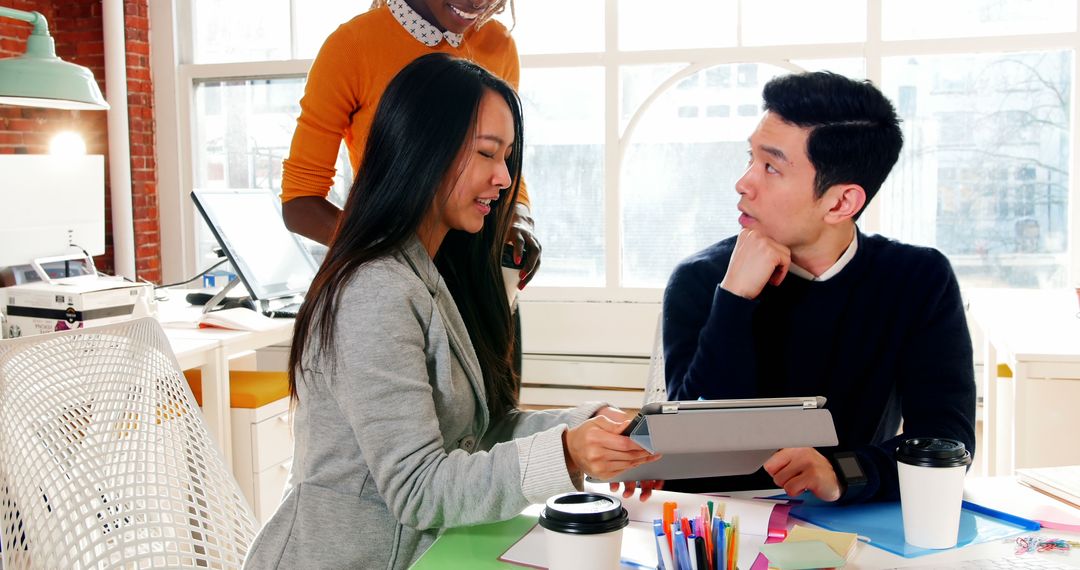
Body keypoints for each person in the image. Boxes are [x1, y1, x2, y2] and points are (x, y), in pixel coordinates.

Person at [243, 54, 657, 570]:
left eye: (508, 156)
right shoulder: (375, 289)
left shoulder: (433, 274)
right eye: (488, 154)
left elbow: (475, 435)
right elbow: (419, 489)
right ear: (423, 150)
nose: (504, 178)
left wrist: (589, 426)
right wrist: (568, 453)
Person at [661, 71, 976, 504]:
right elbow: (689, 445)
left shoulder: (918, 279)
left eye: (771, 166)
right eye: (749, 158)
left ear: (841, 202)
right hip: (718, 525)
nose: (744, 182)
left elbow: (946, 443)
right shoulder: (702, 279)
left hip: (852, 523)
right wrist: (733, 300)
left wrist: (842, 472)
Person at [280, 0, 541, 287]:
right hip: (394, 283)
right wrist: (391, 253)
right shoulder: (353, 46)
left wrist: (519, 216)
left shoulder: (499, 45)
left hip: (482, 285)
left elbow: (502, 160)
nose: (477, 1)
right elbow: (300, 203)